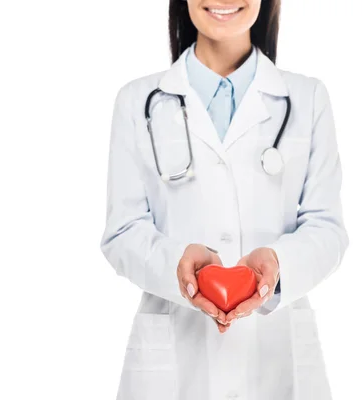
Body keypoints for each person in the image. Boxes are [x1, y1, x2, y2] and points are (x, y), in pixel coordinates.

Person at [99, 0, 349, 398]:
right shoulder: (137, 101)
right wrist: (177, 264)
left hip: (278, 359)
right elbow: (122, 232)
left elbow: (328, 229)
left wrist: (279, 266)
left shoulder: (308, 98)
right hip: (174, 366)